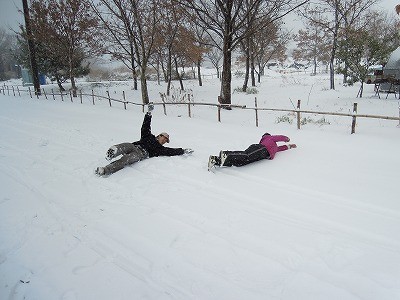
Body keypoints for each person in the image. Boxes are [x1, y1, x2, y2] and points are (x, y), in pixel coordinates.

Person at [95, 103, 193, 176]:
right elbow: (145, 126)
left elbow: (171, 151)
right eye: (164, 138)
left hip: (140, 154)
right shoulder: (148, 136)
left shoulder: (159, 149)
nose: (164, 141)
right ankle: (112, 152)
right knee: (125, 145)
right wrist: (149, 114)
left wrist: (183, 151)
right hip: (134, 146)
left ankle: (105, 170)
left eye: (166, 141)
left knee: (125, 160)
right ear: (159, 136)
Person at [208, 133, 296, 170]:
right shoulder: (269, 138)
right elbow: (279, 137)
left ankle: (217, 160)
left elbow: (280, 149)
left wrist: (289, 146)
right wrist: (286, 138)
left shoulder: (274, 148)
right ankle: (225, 154)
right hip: (261, 148)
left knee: (241, 162)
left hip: (263, 155)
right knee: (246, 155)